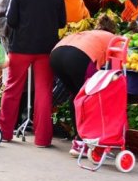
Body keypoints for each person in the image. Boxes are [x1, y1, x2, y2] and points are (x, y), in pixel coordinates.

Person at [0, 0, 66, 147]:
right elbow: (62, 22)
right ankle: (43, 138)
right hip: (47, 48)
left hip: (20, 47)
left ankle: (5, 132)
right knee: (44, 91)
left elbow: (10, 21)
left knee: (12, 89)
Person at [49, 15, 118, 156]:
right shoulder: (113, 38)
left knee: (76, 96)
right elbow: (115, 68)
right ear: (112, 29)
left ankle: (78, 140)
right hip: (77, 57)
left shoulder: (90, 33)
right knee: (87, 99)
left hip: (57, 54)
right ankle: (83, 142)